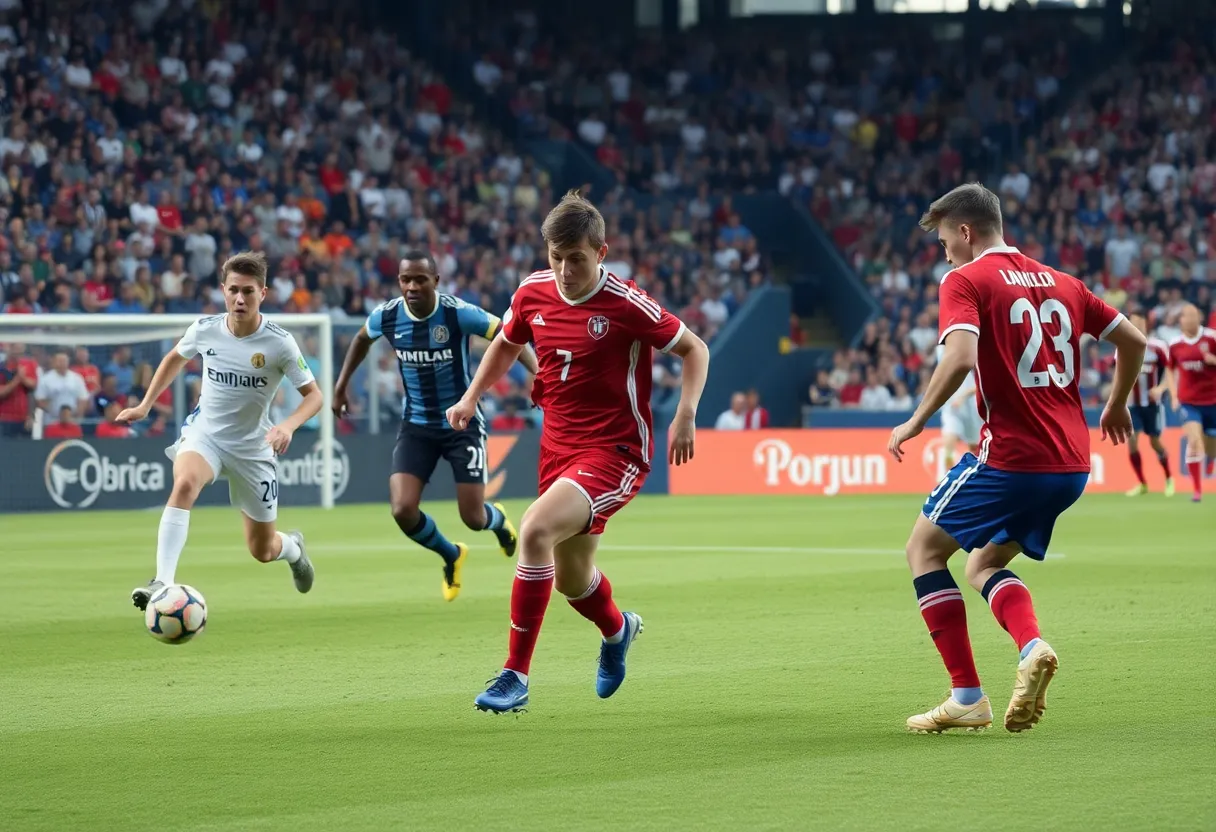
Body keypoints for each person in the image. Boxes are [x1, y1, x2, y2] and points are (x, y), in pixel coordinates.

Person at [887, 184, 1146, 734]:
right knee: (983, 564)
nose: (944, 254)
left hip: (1010, 458)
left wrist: (916, 419)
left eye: (943, 241)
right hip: (1071, 465)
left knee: (923, 551)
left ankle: (967, 697)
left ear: (965, 231)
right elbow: (1135, 341)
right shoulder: (1065, 283)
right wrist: (1117, 404)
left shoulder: (965, 280)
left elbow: (958, 358)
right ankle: (1032, 647)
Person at [447, 190, 710, 713]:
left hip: (616, 451)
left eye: (577, 259)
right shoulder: (532, 292)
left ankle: (514, 676)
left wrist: (685, 414)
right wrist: (472, 395)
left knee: (536, 528)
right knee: (570, 577)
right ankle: (618, 630)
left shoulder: (626, 302)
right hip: (557, 449)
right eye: (556, 257)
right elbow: (505, 342)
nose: (565, 270)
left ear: (601, 252)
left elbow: (694, 348)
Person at [118, 252, 322, 611]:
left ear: (263, 292)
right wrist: (145, 405)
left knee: (262, 550)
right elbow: (173, 360)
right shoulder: (205, 329)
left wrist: (287, 426)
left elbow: (314, 396)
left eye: (248, 292)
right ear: (223, 291)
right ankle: (162, 582)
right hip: (206, 435)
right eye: (233, 291)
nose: (240, 299)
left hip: (252, 448)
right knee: (184, 484)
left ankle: (292, 548)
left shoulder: (279, 343)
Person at [333, 251, 536, 601]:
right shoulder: (389, 315)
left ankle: (498, 521)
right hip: (416, 426)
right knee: (402, 509)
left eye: (420, 279)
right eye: (405, 279)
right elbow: (362, 339)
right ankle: (451, 554)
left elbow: (509, 334)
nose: (411, 286)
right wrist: (341, 386)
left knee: (473, 517)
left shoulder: (458, 313)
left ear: (436, 281)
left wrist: (539, 375)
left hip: (462, 423)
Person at [1164, 304, 1216, 502]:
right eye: (1186, 316)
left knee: (1211, 444)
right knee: (1194, 441)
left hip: (1212, 400)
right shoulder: (1175, 344)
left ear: (1199, 318)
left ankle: (1211, 458)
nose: (1190, 319)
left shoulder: (1212, 338)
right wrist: (1174, 394)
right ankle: (1197, 490)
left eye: (1194, 316)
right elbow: (1169, 369)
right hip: (1189, 402)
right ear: (1181, 320)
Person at [1121, 313, 1174, 497]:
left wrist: (1161, 388)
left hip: (1153, 404)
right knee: (1132, 440)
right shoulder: (1124, 345)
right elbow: (1118, 374)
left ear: (1146, 324)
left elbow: (1170, 370)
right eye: (1133, 322)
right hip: (1132, 404)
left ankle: (1169, 478)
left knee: (1154, 441)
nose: (1137, 325)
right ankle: (1142, 483)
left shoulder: (1157, 347)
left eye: (1140, 322)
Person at [937, 343, 981, 467]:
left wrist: (963, 396)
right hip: (952, 407)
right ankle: (948, 477)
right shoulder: (941, 351)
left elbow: (980, 385)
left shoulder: (971, 353)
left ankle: (977, 476)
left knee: (975, 448)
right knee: (948, 447)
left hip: (972, 408)